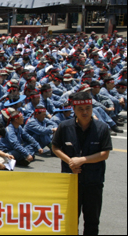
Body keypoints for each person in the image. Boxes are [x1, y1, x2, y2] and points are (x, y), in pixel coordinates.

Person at [52, 91, 112, 235]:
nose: (85, 112)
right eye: (80, 109)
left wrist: (83, 160)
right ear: (74, 109)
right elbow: (55, 147)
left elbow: (105, 153)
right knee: (70, 219)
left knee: (92, 220)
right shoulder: (65, 127)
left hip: (93, 182)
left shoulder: (102, 128)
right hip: (71, 181)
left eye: (88, 108)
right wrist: (70, 162)